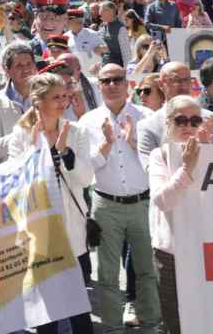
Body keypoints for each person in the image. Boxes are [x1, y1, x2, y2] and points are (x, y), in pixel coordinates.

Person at [8, 73, 93, 334]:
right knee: (48, 312)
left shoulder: (76, 131)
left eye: (65, 96)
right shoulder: (21, 135)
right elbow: (16, 183)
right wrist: (35, 151)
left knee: (79, 309)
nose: (63, 102)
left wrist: (65, 152)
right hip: (40, 233)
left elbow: (86, 178)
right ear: (38, 101)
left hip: (72, 230)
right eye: (56, 97)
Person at [79, 63, 160, 333]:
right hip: (106, 205)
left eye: (117, 79)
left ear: (127, 84)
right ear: (99, 86)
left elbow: (158, 161)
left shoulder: (147, 116)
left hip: (142, 203)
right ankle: (113, 328)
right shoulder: (88, 121)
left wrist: (133, 140)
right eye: (106, 81)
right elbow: (86, 169)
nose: (112, 85)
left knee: (148, 271)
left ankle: (151, 325)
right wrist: (107, 143)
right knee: (107, 274)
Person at [149, 95, 213, 334]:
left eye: (194, 121)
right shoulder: (160, 155)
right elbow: (162, 201)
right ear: (168, 123)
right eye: (181, 120)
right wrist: (186, 169)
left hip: (207, 251)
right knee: (176, 322)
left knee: (208, 318)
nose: (188, 126)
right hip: (171, 255)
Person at [137, 62, 213, 170]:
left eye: (187, 80)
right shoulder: (148, 126)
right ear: (161, 84)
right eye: (176, 80)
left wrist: (208, 146)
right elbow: (151, 169)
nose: (183, 85)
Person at [0, 42, 36, 162]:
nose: (26, 69)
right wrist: (24, 135)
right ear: (8, 71)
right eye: (19, 66)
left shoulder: (46, 96)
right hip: (13, 171)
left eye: (29, 64)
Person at [99, 1, 133, 67]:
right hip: (106, 65)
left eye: (101, 12)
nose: (100, 14)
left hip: (117, 66)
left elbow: (126, 52)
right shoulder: (104, 26)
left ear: (110, 12)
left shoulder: (121, 28)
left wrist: (127, 69)